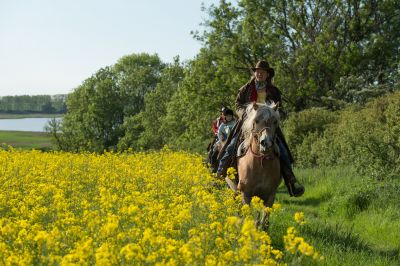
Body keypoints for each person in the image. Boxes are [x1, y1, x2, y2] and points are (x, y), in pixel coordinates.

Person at [216, 60, 305, 197]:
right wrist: (247, 114)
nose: (259, 74)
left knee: (282, 149)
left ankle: (291, 181)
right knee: (231, 145)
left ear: (267, 74)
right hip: (250, 123)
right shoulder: (246, 88)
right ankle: (220, 174)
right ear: (255, 73)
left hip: (268, 123)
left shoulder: (274, 91)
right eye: (257, 71)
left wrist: (275, 113)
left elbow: (279, 107)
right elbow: (238, 105)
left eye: (262, 72)